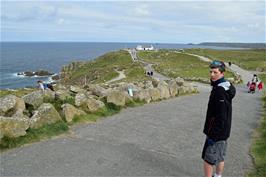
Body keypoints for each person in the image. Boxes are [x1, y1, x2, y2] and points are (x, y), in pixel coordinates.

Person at [202, 60, 236, 177]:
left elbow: (221, 115)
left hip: (216, 133)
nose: (211, 74)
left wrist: (213, 135)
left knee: (208, 160)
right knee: (220, 156)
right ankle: (218, 176)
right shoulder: (225, 86)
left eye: (215, 72)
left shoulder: (220, 91)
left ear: (222, 73)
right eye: (211, 72)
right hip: (224, 132)